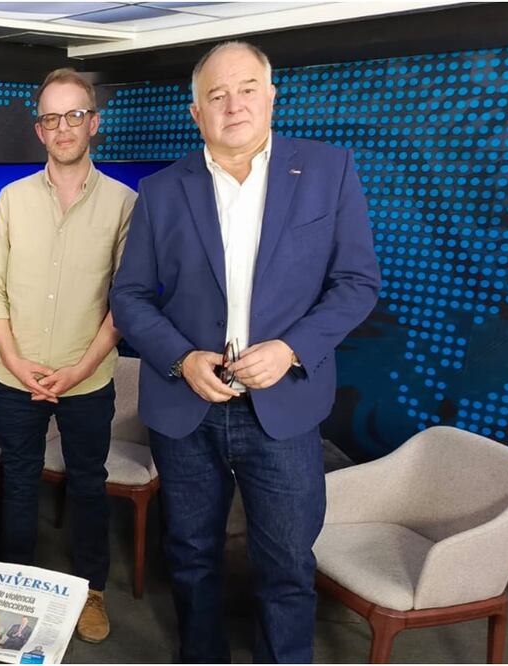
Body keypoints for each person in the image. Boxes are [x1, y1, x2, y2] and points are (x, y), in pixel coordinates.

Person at [110, 41, 381, 662]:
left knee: (286, 562)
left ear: (271, 96)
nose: (234, 105)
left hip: (283, 407)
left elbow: (357, 283)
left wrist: (291, 349)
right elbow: (128, 298)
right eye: (216, 95)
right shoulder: (159, 190)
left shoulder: (328, 171)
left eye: (247, 89)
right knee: (192, 556)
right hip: (188, 407)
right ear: (195, 112)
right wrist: (181, 358)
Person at [0, 67, 136, 645]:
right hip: (18, 375)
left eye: (75, 115)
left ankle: (91, 591)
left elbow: (126, 300)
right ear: (39, 129)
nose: (63, 127)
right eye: (51, 117)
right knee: (18, 483)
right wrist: (16, 362)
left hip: (86, 379)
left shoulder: (125, 203)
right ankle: (14, 592)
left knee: (88, 484)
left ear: (94, 123)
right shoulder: (12, 200)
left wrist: (80, 368)